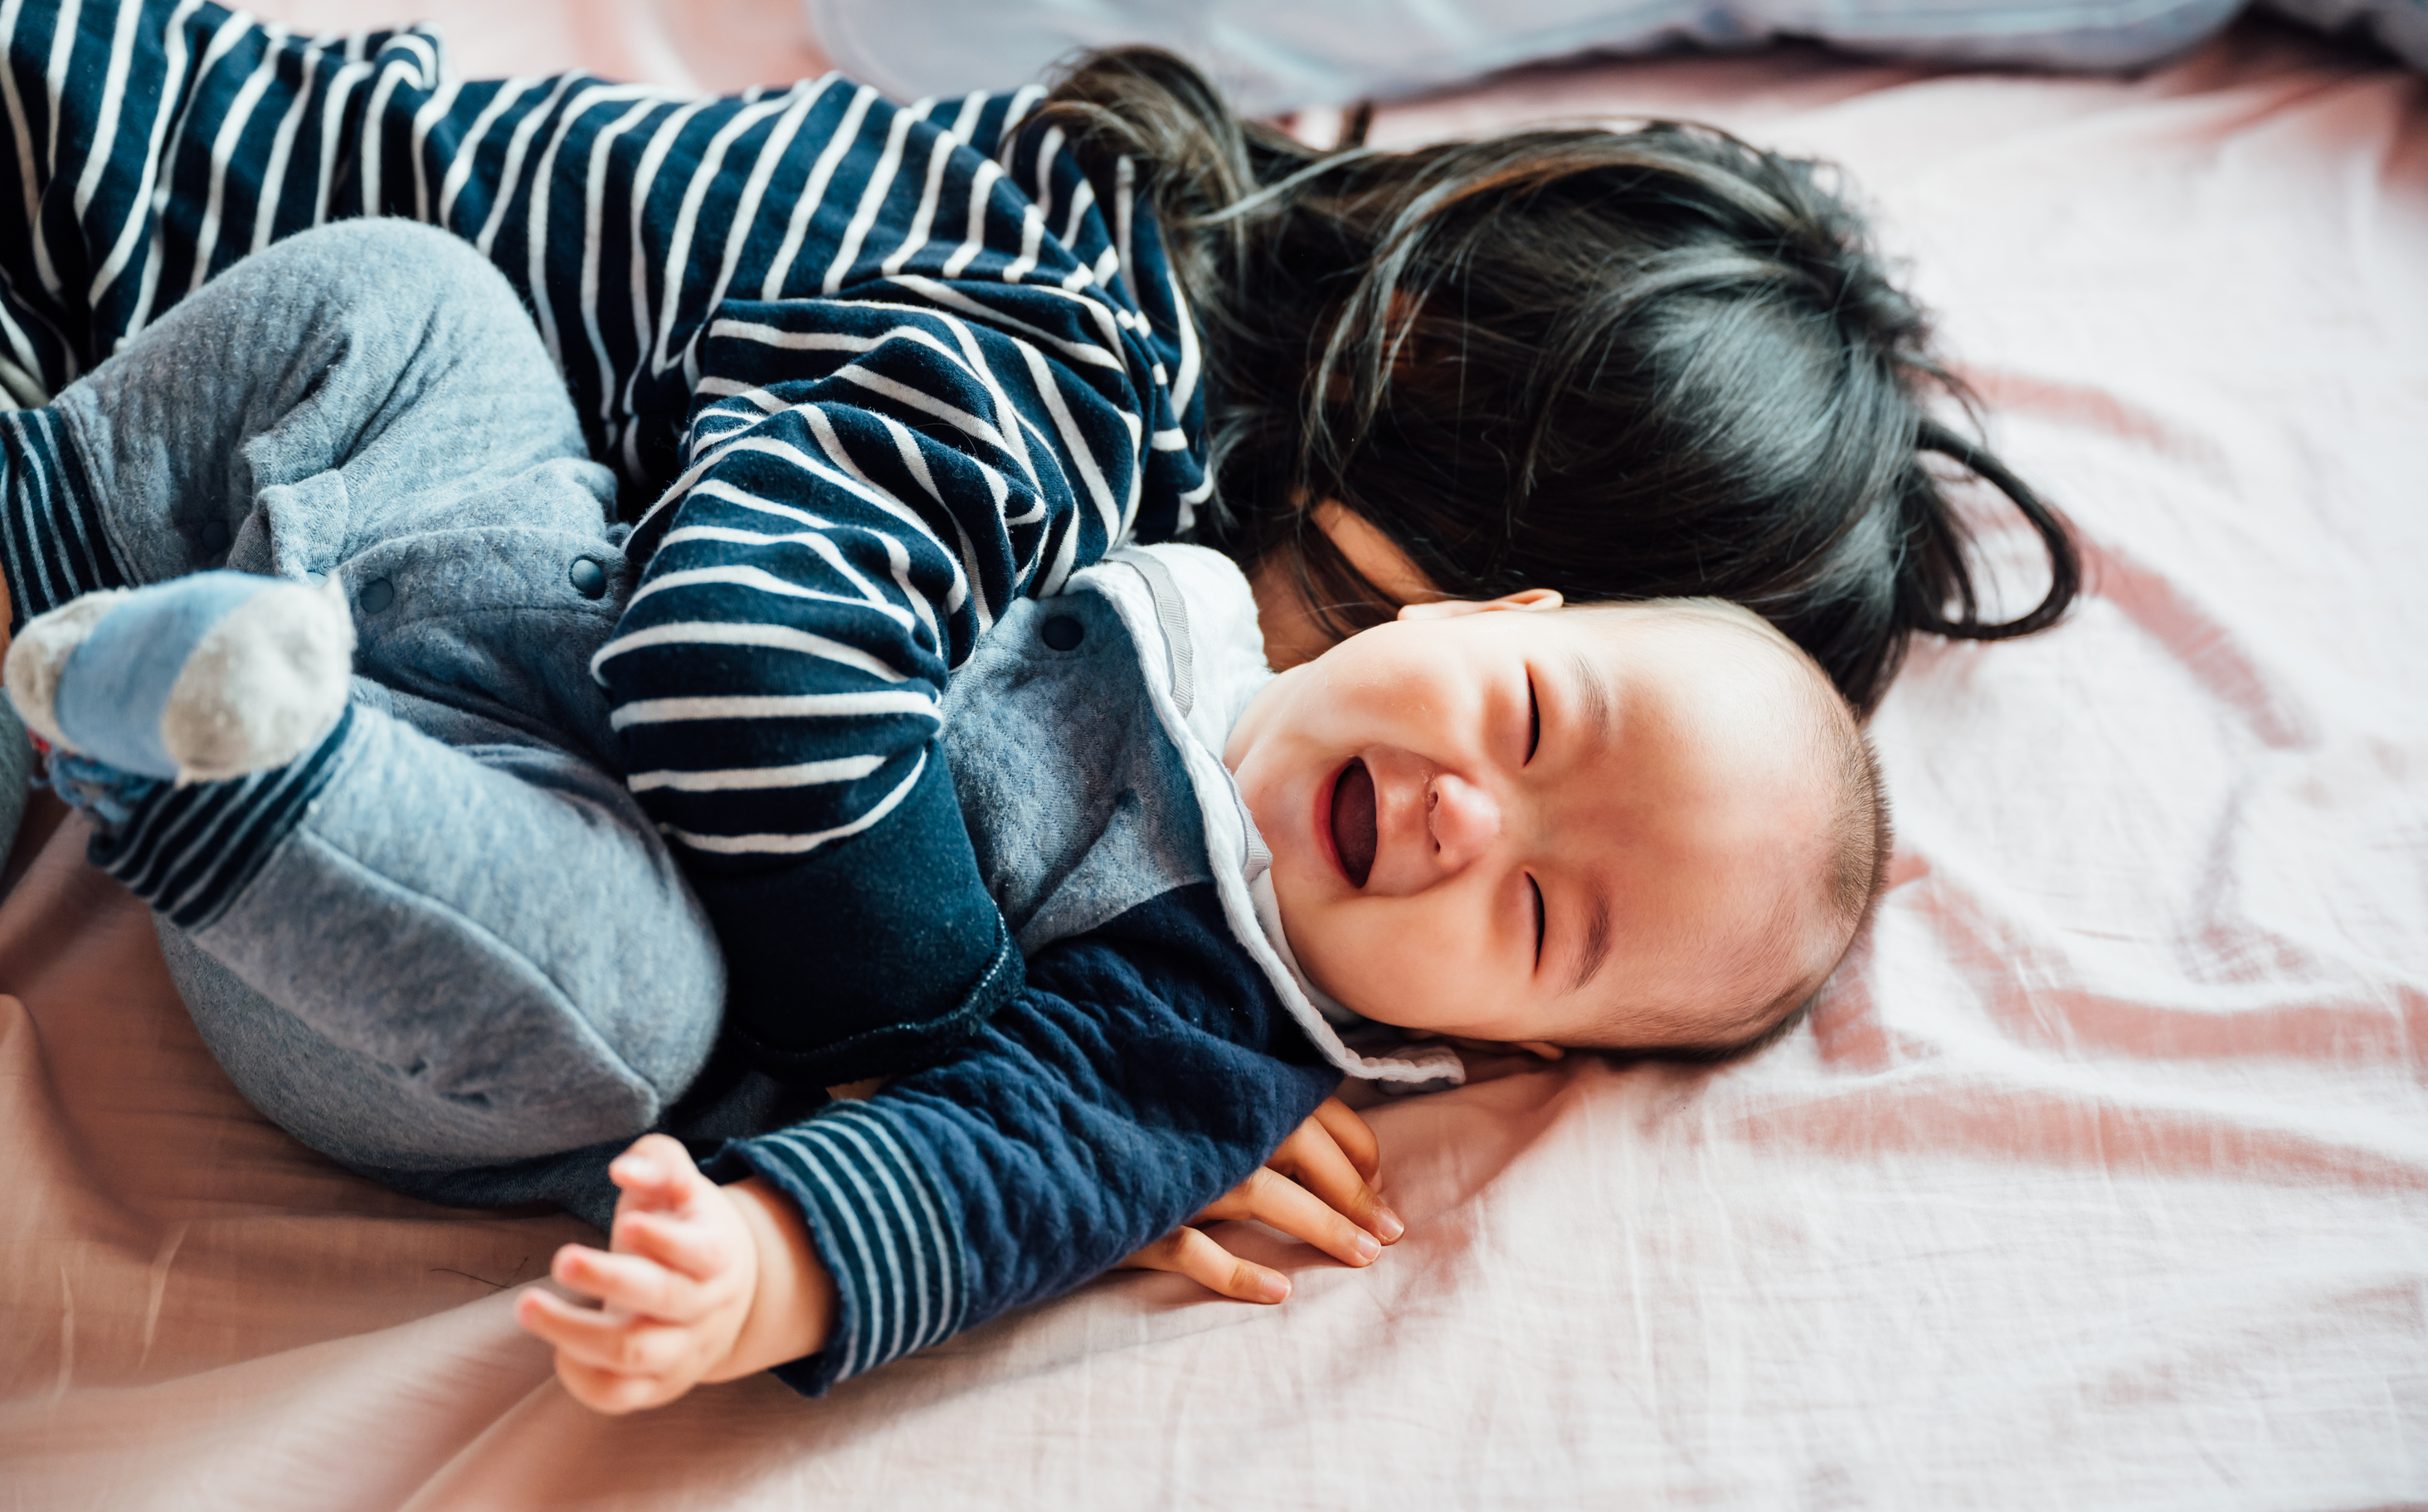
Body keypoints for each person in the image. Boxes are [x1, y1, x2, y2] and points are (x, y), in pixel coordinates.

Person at [2, 220, 1885, 1416]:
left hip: (457, 940)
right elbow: (773, 521)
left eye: (1546, 917)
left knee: (630, 1007)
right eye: (1537, 720)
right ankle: (56, 550)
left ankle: (219, 764)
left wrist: (759, 1272)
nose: (1481, 814)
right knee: (430, 304)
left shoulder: (1204, 1033)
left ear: (1503, 1038)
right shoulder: (1145, 504)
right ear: (1490, 610)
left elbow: (1002, 1176)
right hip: (541, 612)